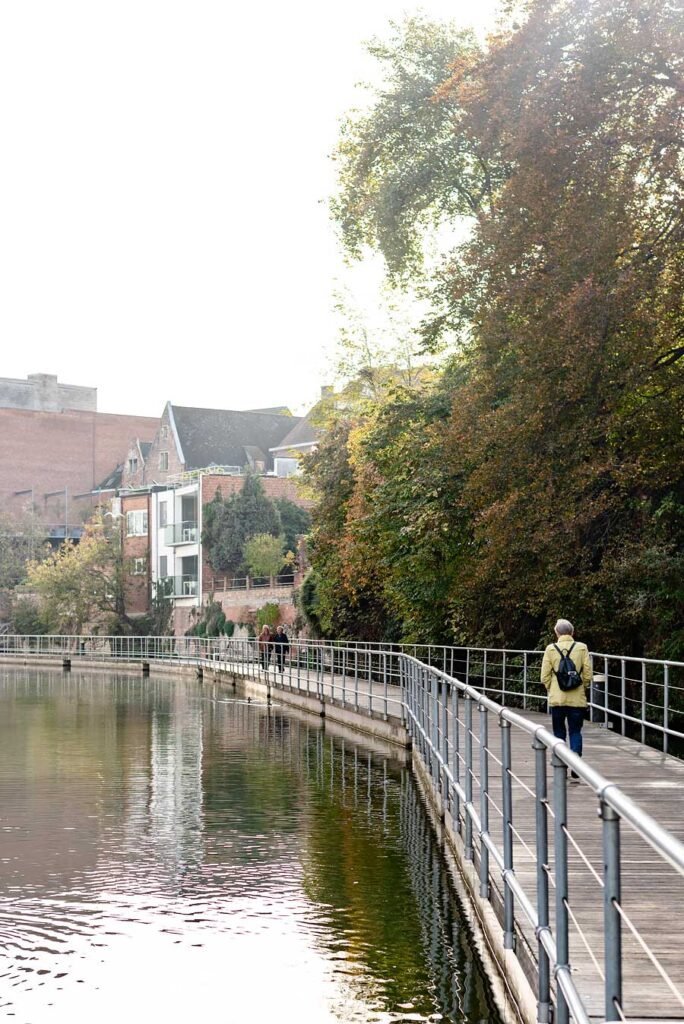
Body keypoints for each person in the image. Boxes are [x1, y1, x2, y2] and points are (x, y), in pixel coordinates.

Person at [540, 618, 592, 782]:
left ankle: (561, 762)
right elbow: (588, 674)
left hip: (557, 700)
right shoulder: (582, 647)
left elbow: (544, 676)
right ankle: (575, 759)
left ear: (556, 633)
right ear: (572, 632)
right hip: (577, 700)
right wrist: (581, 687)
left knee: (559, 732)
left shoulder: (550, 649)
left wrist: (552, 688)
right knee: (575, 731)